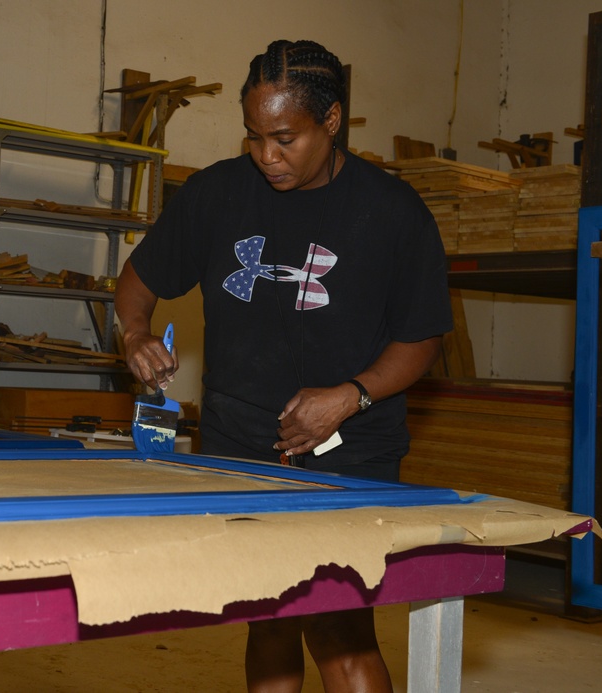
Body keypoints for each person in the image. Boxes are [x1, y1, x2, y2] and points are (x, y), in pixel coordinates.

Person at [115, 39, 453, 692]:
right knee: (267, 617)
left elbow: (420, 342)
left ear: (331, 122)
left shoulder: (391, 212)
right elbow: (136, 282)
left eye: (284, 137)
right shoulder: (215, 195)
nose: (266, 156)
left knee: (340, 630)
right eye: (253, 136)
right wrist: (135, 333)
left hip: (351, 450)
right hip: (239, 443)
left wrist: (349, 396)